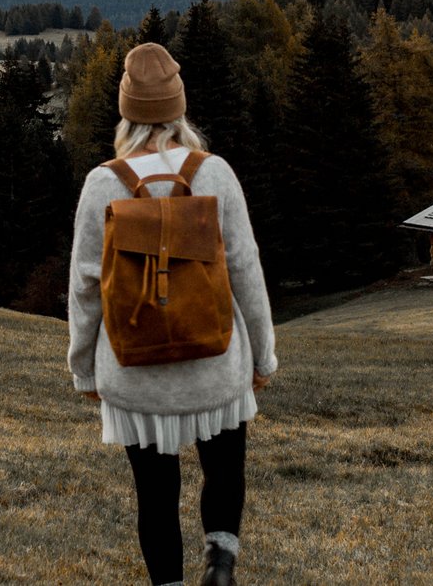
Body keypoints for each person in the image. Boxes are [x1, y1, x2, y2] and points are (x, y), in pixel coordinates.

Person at [68, 42, 277, 586]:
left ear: (127, 112)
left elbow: (86, 288)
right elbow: (247, 271)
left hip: (135, 372)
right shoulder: (216, 174)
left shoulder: (102, 184)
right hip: (215, 363)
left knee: (155, 495)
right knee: (225, 470)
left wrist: (83, 369)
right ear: (180, 110)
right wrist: (265, 354)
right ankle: (221, 563)